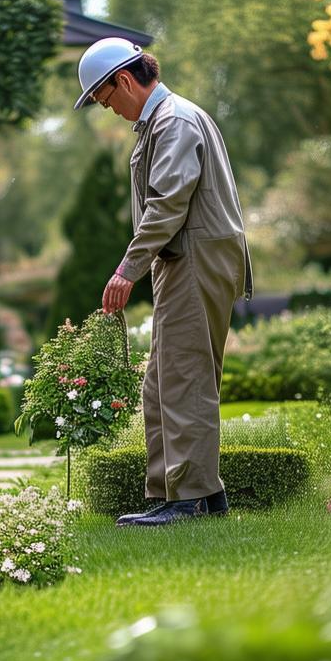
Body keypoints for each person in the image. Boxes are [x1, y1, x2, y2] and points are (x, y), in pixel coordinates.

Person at [73, 37, 252, 527]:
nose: (109, 109)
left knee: (183, 378)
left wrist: (126, 270)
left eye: (107, 99)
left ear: (125, 81)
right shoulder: (166, 118)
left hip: (196, 260)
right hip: (191, 259)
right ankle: (191, 494)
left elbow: (168, 203)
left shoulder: (172, 121)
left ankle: (187, 499)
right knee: (163, 382)